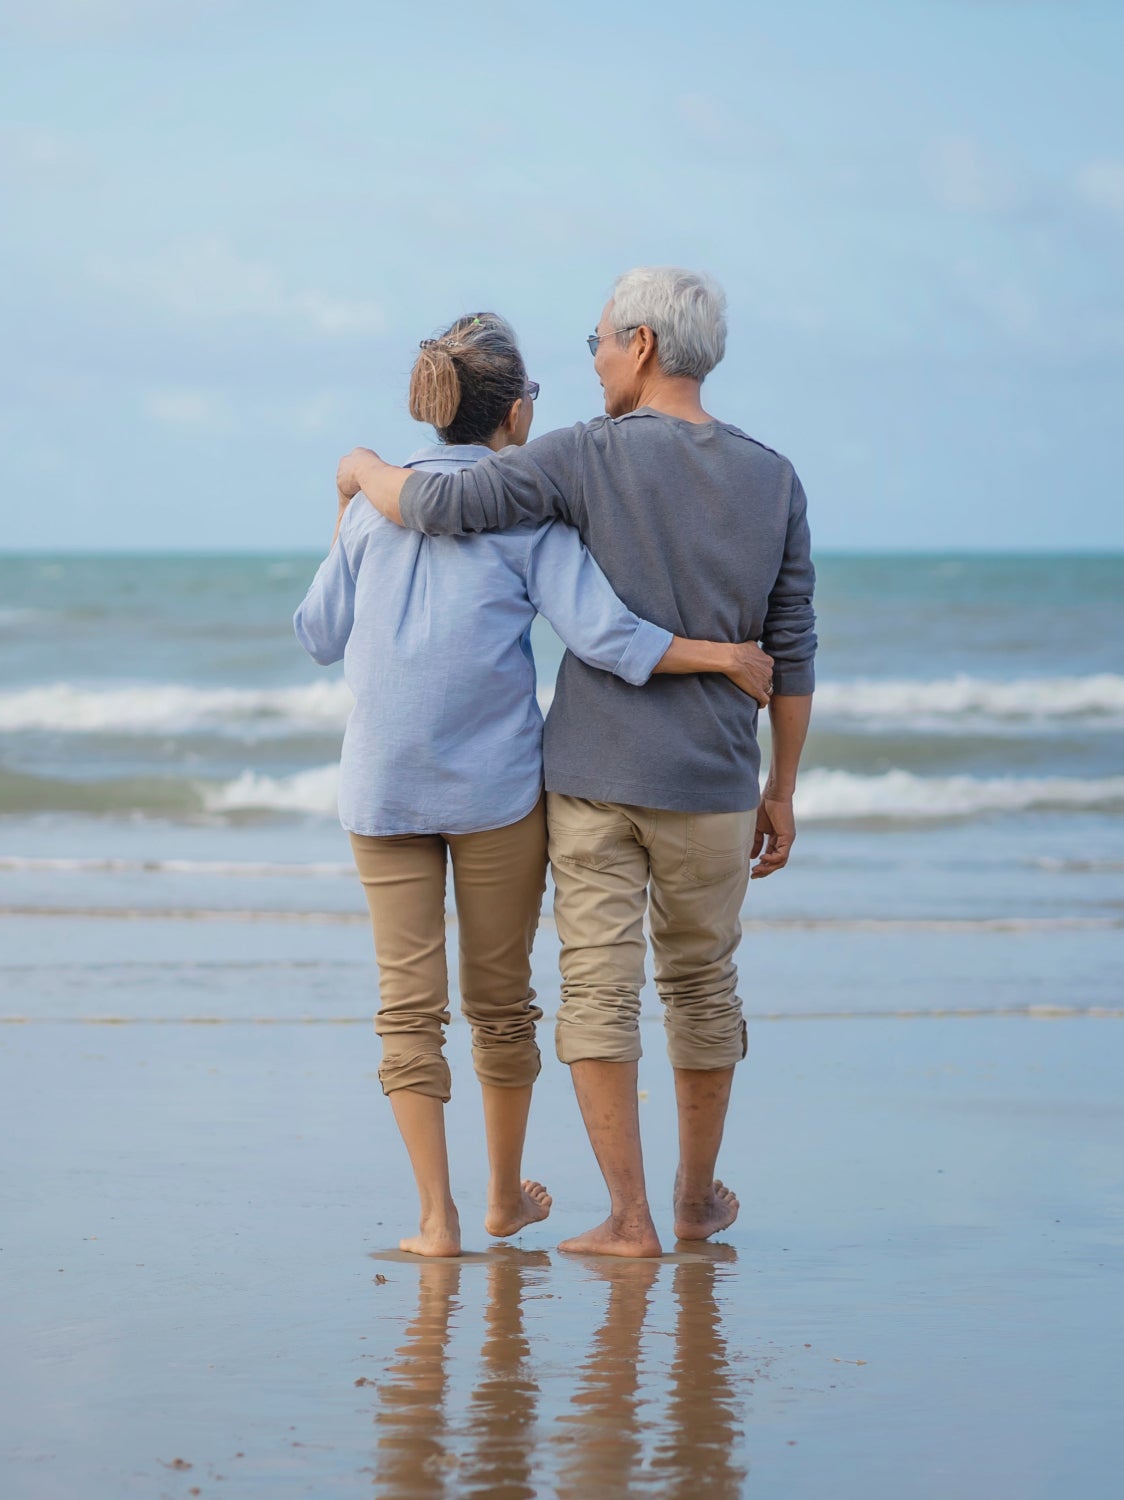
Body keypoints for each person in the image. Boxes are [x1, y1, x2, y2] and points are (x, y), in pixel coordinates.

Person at [336, 269, 818, 1257]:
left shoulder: (580, 459)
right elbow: (794, 647)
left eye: (598, 341)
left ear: (640, 346)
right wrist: (782, 788)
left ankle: (629, 1221)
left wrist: (357, 473)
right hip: (716, 780)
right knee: (702, 988)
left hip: (593, 774)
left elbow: (442, 503)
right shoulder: (775, 476)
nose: (592, 358)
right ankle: (690, 1204)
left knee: (596, 992)